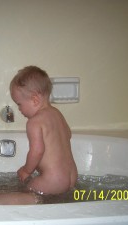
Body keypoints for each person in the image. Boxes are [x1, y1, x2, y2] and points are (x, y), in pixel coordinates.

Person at [10, 66, 78, 196]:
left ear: (35, 100)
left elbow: (37, 151)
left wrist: (26, 171)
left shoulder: (34, 122)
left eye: (19, 104)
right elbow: (68, 134)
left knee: (25, 194)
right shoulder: (57, 114)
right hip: (72, 176)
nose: (19, 109)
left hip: (52, 180)